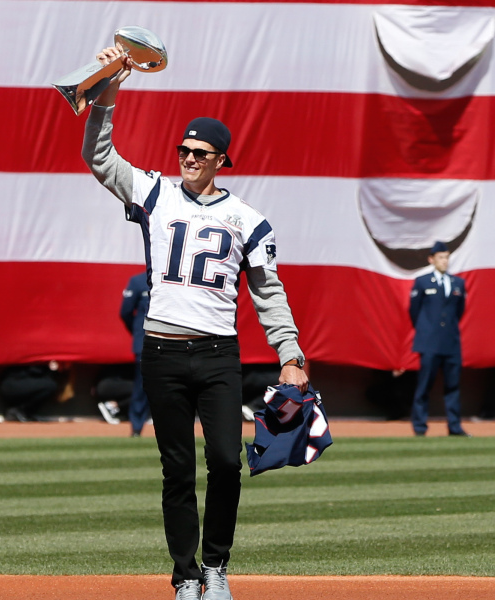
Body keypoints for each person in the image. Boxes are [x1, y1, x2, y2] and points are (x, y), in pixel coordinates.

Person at [81, 46, 308, 600]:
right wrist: (110, 84)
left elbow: (267, 292)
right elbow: (99, 156)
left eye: (200, 152)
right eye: (184, 148)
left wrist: (291, 354)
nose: (188, 157)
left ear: (221, 160)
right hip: (161, 350)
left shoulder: (247, 220)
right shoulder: (155, 192)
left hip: (216, 353)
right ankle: (184, 577)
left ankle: (215, 568)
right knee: (177, 470)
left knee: (227, 462)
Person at [408, 241, 469, 437]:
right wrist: (428, 331)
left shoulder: (458, 283)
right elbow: (414, 312)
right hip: (429, 342)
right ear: (431, 259)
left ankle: (455, 426)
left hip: (451, 343)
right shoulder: (423, 282)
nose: (445, 261)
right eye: (441, 257)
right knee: (424, 384)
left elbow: (459, 312)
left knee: (453, 386)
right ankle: (419, 427)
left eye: (447, 257)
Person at [119, 271, 151, 437]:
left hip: (171, 341)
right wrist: (138, 332)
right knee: (141, 387)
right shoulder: (138, 281)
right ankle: (137, 429)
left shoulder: (173, 280)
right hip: (144, 344)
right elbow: (125, 312)